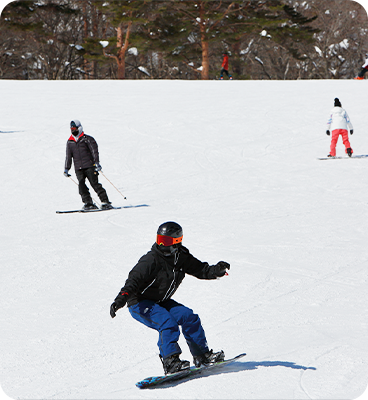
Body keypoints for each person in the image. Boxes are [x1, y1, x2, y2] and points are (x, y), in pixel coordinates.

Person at [110, 221, 230, 375]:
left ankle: (202, 356)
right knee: (167, 323)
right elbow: (133, 280)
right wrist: (120, 299)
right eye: (159, 239)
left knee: (189, 317)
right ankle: (171, 362)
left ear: (176, 242)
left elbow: (201, 270)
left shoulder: (181, 257)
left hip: (160, 301)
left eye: (165, 241)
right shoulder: (150, 259)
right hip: (139, 302)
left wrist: (216, 271)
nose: (161, 244)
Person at [64, 119, 112, 210]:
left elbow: (94, 151)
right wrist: (66, 168)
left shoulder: (87, 139)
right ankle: (88, 203)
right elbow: (68, 156)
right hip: (78, 168)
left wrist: (96, 163)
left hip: (89, 166)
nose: (73, 131)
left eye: (74, 128)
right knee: (81, 186)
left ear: (79, 128)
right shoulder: (70, 142)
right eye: (71, 129)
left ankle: (105, 201)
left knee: (95, 184)